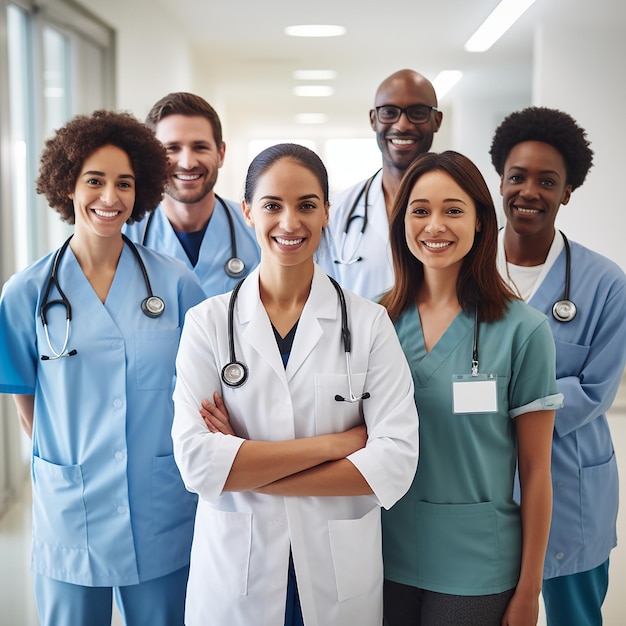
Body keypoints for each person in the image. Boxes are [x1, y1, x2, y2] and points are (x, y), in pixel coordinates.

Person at [171, 143, 419, 626]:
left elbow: (395, 459)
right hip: (237, 574)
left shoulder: (368, 324)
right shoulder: (207, 323)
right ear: (247, 211)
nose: (290, 223)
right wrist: (337, 445)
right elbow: (198, 465)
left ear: (327, 211)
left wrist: (244, 466)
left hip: (335, 571)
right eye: (271, 205)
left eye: (307, 205)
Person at [0, 110, 206, 626]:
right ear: (67, 184)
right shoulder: (26, 293)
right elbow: (27, 404)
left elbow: (200, 393)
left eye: (125, 183)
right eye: (95, 180)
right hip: (72, 509)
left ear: (143, 192)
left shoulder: (175, 285)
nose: (109, 198)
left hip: (159, 506)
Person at [380, 151, 563, 625]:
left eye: (453, 210)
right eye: (419, 210)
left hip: (478, 566)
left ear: (482, 221)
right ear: (402, 222)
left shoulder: (524, 330)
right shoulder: (373, 322)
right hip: (381, 555)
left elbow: (537, 472)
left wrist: (529, 591)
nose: (434, 225)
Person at [490, 107, 626, 626]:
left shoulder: (605, 284)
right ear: (499, 180)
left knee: (575, 616)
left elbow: (595, 389)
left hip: (569, 481)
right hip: (486, 482)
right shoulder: (465, 272)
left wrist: (501, 405)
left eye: (548, 182)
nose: (530, 192)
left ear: (567, 192)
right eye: (518, 177)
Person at [320, 69, 443, 299]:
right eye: (389, 112)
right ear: (373, 120)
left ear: (437, 121)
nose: (403, 125)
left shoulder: (461, 210)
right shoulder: (339, 211)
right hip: (358, 336)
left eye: (417, 113)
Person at [124, 91, 260, 296]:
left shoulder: (256, 231)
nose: (187, 163)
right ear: (151, 156)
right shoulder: (124, 237)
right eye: (172, 148)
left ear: (220, 153)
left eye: (200, 147)